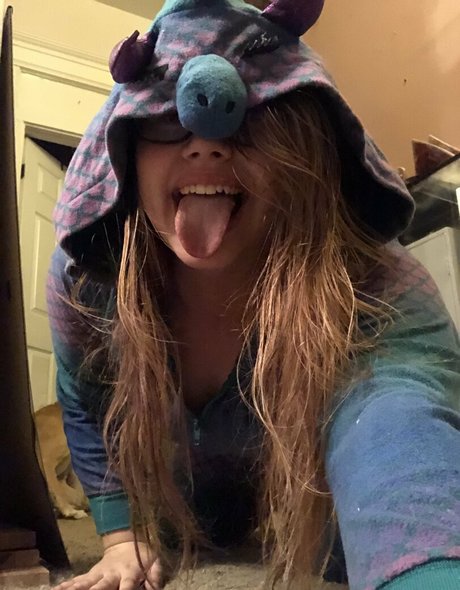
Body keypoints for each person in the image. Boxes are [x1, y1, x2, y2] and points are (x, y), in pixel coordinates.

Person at [47, 0, 460, 588]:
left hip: (319, 538)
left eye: (250, 119)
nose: (205, 145)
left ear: (303, 149)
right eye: (165, 120)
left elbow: (395, 429)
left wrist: (426, 569)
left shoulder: (378, 289)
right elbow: (86, 403)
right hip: (175, 530)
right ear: (126, 150)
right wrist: (121, 536)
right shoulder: (87, 280)